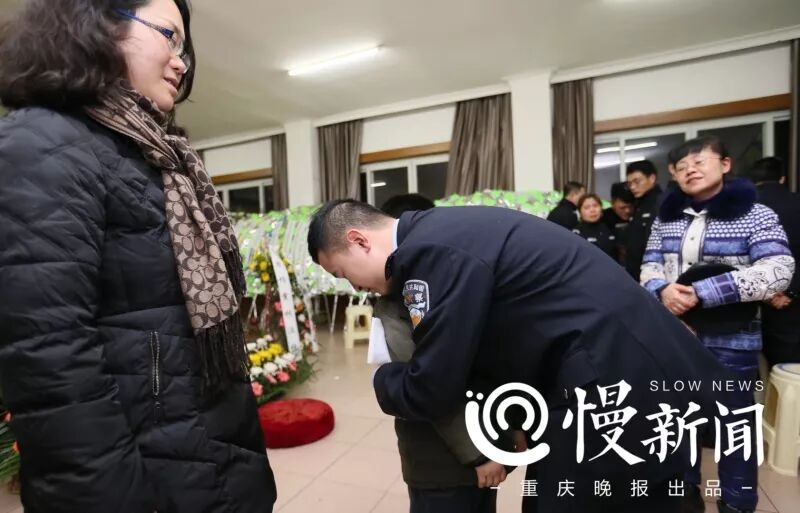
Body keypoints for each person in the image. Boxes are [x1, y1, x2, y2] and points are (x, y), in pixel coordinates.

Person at [0, 2, 276, 512]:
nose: (181, 62)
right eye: (170, 36)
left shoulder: (154, 154)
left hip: (203, 452)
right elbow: (49, 357)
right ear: (97, 25)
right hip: (149, 478)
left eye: (184, 47)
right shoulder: (41, 144)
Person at [308, 199, 731, 513]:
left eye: (342, 273)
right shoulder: (446, 229)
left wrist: (385, 380)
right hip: (618, 370)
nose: (353, 287)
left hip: (609, 382)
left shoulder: (429, 253)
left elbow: (434, 383)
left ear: (358, 240)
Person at [641, 137, 795, 513]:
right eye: (681, 166)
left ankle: (737, 502)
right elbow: (648, 267)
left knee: (735, 427)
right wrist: (662, 290)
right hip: (676, 338)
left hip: (734, 341)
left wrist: (704, 292)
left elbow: (779, 270)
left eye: (699, 161)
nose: (690, 170)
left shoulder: (756, 215)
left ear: (725, 164)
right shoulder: (666, 219)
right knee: (678, 422)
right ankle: (684, 496)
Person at [377, 193, 509, 513]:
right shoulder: (397, 303)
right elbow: (428, 386)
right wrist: (478, 454)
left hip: (484, 443)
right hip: (440, 462)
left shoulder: (457, 285)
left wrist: (512, 427)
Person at [744, 157, 800, 366]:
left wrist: (768, 292)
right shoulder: (796, 203)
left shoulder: (744, 209)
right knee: (789, 363)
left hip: (750, 298)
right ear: (782, 178)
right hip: (791, 297)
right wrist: (789, 291)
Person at [624, 160, 663, 281]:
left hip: (653, 273)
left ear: (652, 178)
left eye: (637, 181)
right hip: (636, 271)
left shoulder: (661, 203)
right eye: (629, 183)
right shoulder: (638, 204)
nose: (632, 187)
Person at [572, 194, 618, 260]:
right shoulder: (577, 232)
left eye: (595, 206)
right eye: (587, 207)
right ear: (580, 212)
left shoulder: (608, 227)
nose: (592, 210)